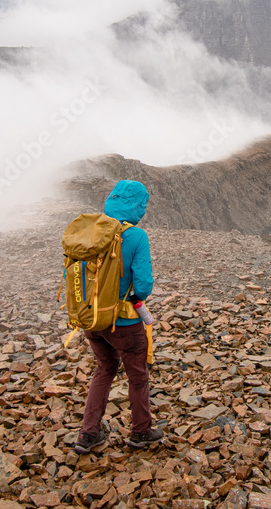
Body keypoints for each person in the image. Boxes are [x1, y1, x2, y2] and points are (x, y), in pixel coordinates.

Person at [74, 179, 164, 453]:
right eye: (143, 205)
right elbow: (144, 285)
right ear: (136, 206)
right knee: (137, 376)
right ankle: (141, 432)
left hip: (91, 320)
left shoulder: (90, 231)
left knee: (105, 369)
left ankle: (88, 435)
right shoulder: (136, 236)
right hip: (124, 323)